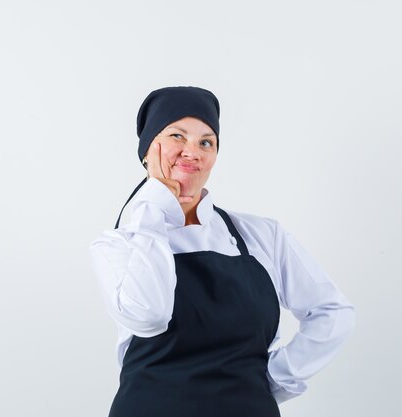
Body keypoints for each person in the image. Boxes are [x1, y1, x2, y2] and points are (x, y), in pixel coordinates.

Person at [89, 86, 355, 417]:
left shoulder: (261, 235)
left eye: (206, 141)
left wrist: (273, 381)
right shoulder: (120, 244)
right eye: (177, 135)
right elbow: (149, 315)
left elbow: (332, 310)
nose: (192, 151)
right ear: (147, 151)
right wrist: (155, 206)